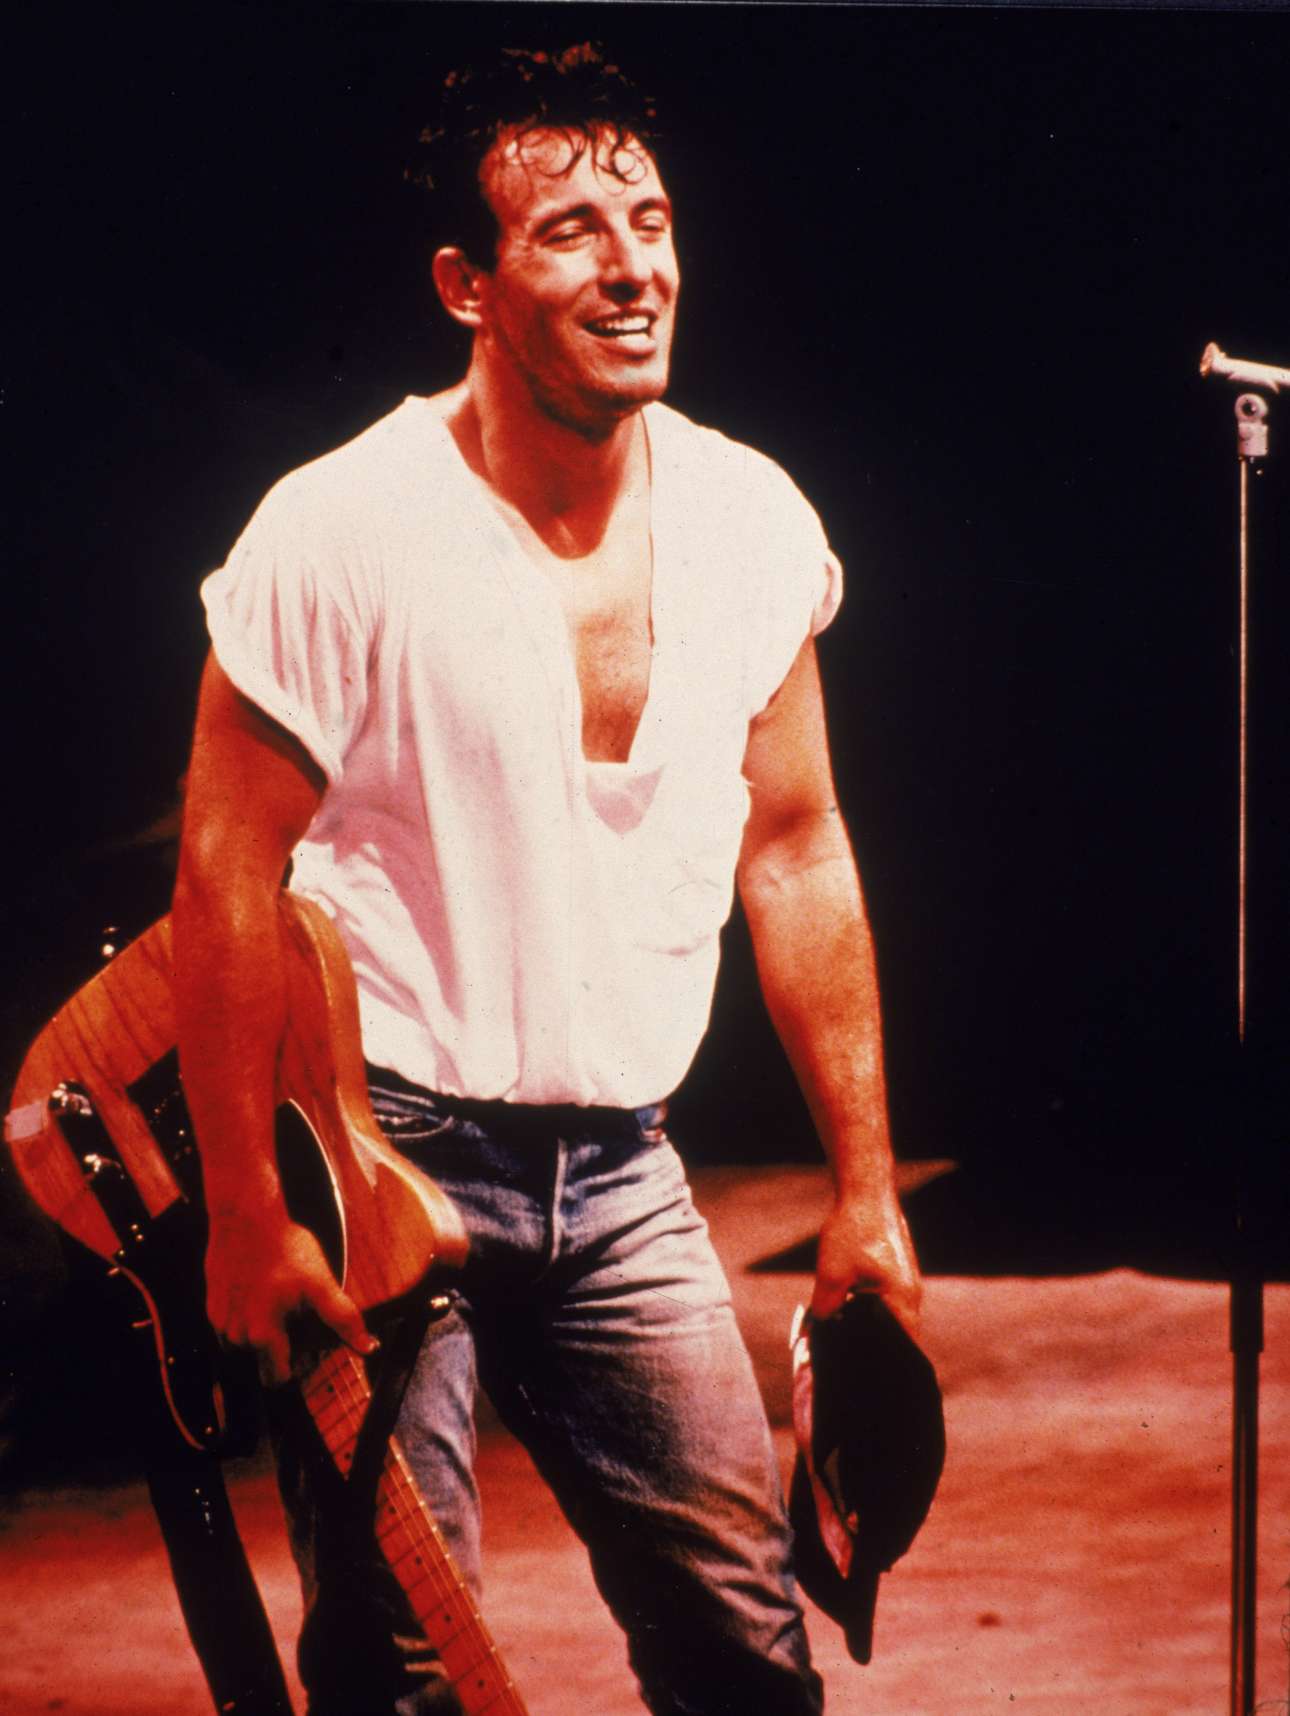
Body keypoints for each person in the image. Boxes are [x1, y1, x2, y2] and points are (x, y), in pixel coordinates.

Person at [172, 43, 921, 1716]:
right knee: (401, 1670)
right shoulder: (341, 526)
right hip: (376, 1150)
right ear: (468, 284)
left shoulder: (748, 517)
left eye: (649, 221)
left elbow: (795, 849)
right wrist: (242, 1213)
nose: (633, 265)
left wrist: (864, 1189)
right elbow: (223, 878)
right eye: (572, 230)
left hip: (623, 1172)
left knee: (744, 1656)